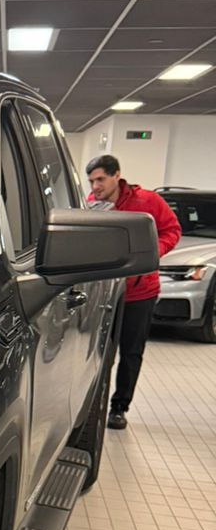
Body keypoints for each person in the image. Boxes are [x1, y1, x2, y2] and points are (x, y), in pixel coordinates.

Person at [85, 155, 181, 429]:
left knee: (130, 352)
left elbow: (172, 230)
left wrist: (151, 254)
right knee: (102, 351)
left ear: (117, 175)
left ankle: (119, 408)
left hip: (139, 293)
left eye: (100, 179)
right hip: (104, 293)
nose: (95, 186)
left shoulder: (147, 202)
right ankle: (96, 403)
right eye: (91, 181)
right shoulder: (93, 205)